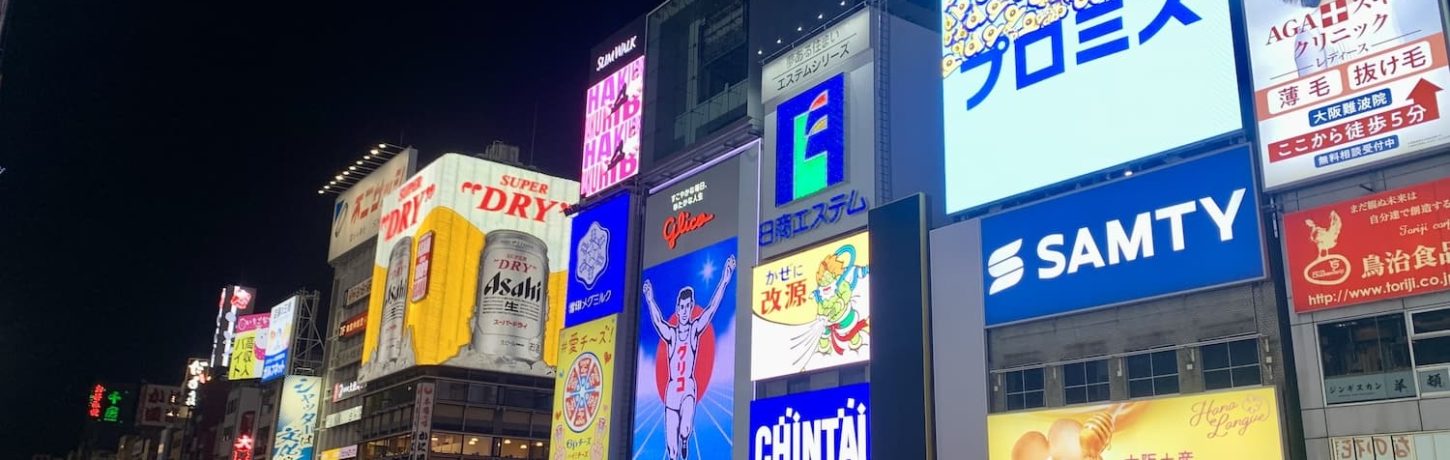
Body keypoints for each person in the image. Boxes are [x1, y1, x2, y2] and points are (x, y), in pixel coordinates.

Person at [642, 255, 735, 460]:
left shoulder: (694, 330)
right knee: (672, 451)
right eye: (681, 307)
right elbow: (658, 322)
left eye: (688, 306)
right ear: (678, 308)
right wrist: (649, 299)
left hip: (688, 390)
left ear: (692, 307)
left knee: (685, 429)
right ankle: (679, 447)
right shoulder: (672, 334)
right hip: (672, 393)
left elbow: (711, 310)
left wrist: (725, 280)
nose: (685, 311)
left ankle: (685, 438)